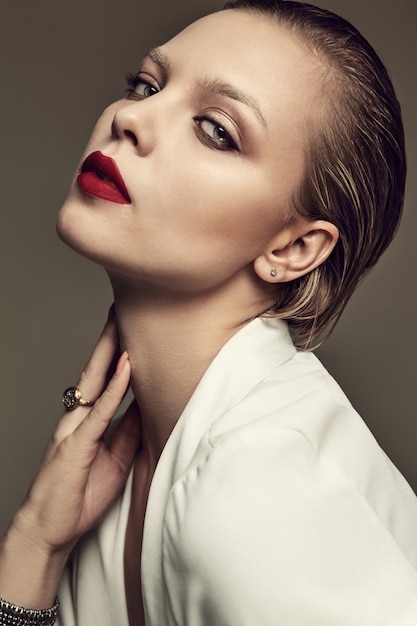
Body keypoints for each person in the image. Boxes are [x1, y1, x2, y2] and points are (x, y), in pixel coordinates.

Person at [1, 0, 416, 624]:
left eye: (217, 129)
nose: (131, 118)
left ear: (293, 247)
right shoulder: (132, 473)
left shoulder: (263, 495)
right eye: (147, 84)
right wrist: (36, 544)